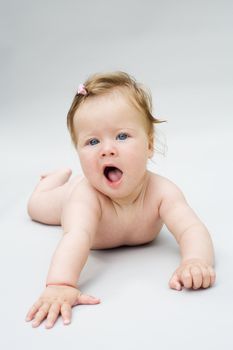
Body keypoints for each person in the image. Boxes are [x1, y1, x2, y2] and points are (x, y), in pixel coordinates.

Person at [25, 71, 215, 329]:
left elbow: (191, 228)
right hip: (69, 196)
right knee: (36, 207)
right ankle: (53, 180)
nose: (107, 149)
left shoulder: (162, 192)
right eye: (92, 141)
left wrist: (196, 261)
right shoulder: (85, 199)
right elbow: (76, 237)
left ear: (149, 145)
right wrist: (61, 284)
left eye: (122, 136)